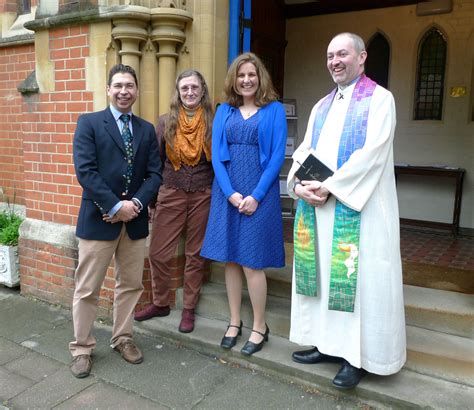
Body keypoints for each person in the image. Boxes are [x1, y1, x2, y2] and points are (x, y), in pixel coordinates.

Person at [287, 32, 406, 389]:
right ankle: (327, 344)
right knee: (325, 279)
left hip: (360, 210)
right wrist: (298, 184)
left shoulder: (380, 99)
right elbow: (305, 150)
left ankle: (357, 357)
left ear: (362, 57)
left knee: (359, 282)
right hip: (322, 211)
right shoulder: (322, 106)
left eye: (342, 54)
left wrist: (331, 186)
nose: (334, 61)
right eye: (329, 56)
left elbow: (373, 153)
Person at [69, 64, 162, 378]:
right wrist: (114, 204)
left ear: (136, 90)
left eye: (130, 86)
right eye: (118, 85)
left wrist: (134, 204)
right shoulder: (90, 123)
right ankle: (82, 348)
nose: (124, 91)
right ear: (108, 89)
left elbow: (155, 174)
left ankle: (123, 337)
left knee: (130, 286)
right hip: (99, 221)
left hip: (134, 223)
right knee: (87, 289)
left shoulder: (147, 130)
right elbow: (86, 172)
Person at [201, 52, 287, 356]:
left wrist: (255, 196)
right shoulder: (224, 110)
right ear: (234, 80)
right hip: (228, 193)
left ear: (260, 78)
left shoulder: (274, 110)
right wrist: (231, 194)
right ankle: (235, 322)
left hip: (259, 194)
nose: (246, 80)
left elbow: (277, 156)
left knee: (252, 262)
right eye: (241, 75)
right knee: (231, 260)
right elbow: (216, 155)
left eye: (251, 74)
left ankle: (259, 326)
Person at [134, 70, 214, 333]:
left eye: (194, 87)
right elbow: (155, 163)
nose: (190, 92)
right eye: (184, 88)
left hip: (204, 192)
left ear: (202, 90)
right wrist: (152, 200)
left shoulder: (215, 121)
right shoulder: (165, 122)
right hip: (171, 191)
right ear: (178, 92)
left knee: (195, 254)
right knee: (157, 252)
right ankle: (160, 302)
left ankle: (189, 308)